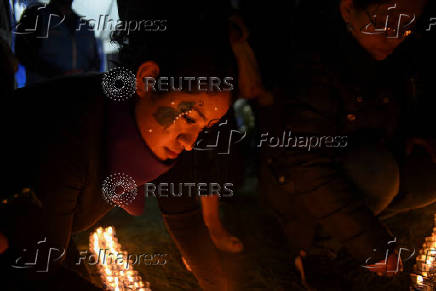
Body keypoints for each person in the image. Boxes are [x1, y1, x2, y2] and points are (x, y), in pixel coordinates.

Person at [0, 3, 238, 290]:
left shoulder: (171, 137)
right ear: (147, 80)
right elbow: (40, 270)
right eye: (189, 118)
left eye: (205, 127)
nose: (190, 143)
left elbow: (184, 218)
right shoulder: (70, 135)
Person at [255, 0, 433, 285]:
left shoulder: (396, 54)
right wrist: (372, 245)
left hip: (362, 158)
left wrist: (415, 132)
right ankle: (315, 250)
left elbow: (400, 103)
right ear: (348, 9)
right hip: (297, 181)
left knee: (427, 176)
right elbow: (305, 162)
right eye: (384, 24)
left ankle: (350, 226)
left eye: (407, 26)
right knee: (377, 174)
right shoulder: (314, 63)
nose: (395, 37)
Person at [14, 0, 100, 85]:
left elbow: (95, 62)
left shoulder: (85, 26)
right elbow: (23, 53)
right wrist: (57, 74)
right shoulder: (35, 16)